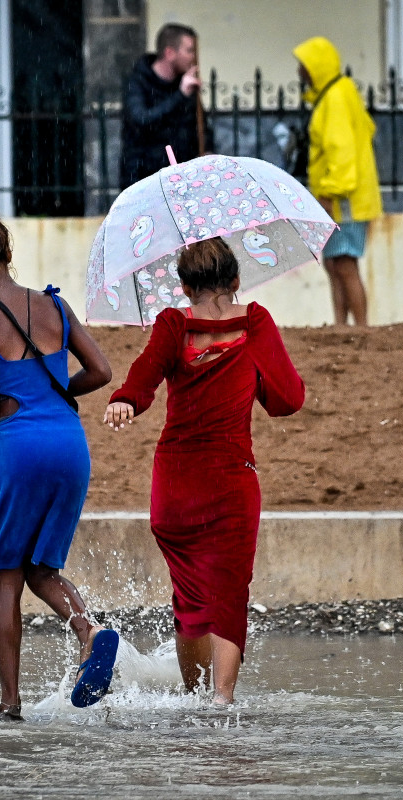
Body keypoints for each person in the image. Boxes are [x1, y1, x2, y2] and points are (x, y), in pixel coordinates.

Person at [0, 204, 118, 721]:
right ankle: (89, 630)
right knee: (43, 568)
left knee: (7, 576)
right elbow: (101, 371)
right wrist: (58, 392)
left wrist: (14, 397)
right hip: (70, 446)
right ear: (9, 253)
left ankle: (9, 703)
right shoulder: (55, 306)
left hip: (19, 449)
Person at [103, 238, 305, 705]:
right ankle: (222, 701)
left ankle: (192, 700)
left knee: (191, 598)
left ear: (184, 286)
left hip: (175, 486)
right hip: (232, 479)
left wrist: (123, 402)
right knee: (229, 593)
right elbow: (288, 401)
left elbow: (142, 378)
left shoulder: (173, 325)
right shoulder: (254, 323)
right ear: (236, 281)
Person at [293, 36, 382, 327]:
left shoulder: (334, 99)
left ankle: (360, 327)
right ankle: (343, 326)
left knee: (344, 263)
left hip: (344, 199)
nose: (299, 72)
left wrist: (329, 194)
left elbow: (341, 153)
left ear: (315, 67)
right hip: (345, 196)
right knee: (334, 264)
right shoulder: (339, 94)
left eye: (303, 66)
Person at [119, 23, 203, 188]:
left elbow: (199, 124)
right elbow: (142, 121)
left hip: (181, 174)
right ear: (170, 53)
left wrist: (207, 149)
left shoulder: (183, 83)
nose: (193, 57)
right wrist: (180, 96)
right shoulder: (138, 82)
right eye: (189, 50)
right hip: (143, 176)